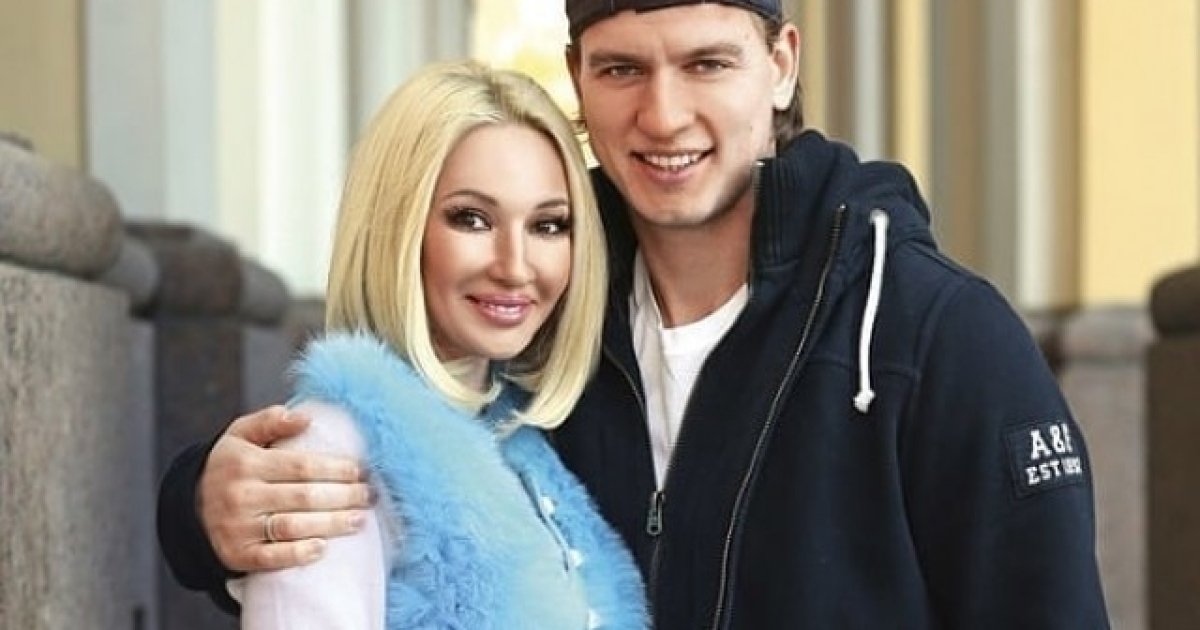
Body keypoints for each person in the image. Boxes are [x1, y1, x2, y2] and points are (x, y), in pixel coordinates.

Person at [158, 1, 1112, 628]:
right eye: (622, 70)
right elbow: (395, 446)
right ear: (577, 76)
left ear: (780, 64)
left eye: (706, 63)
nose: (663, 116)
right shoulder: (540, 314)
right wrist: (199, 504)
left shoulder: (938, 336)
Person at [217, 60, 647, 629]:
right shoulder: (330, 447)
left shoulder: (523, 444)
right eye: (472, 219)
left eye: (547, 225)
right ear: (398, 228)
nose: (516, 267)